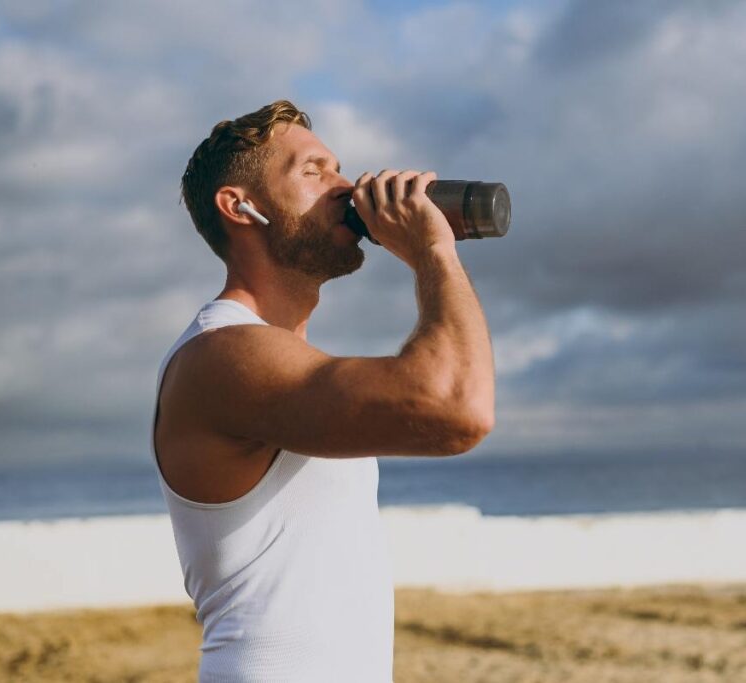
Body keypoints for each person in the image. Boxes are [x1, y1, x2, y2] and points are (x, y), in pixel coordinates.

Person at [149, 99, 495, 682]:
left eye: (338, 169)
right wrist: (433, 250)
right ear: (241, 207)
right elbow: (455, 407)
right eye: (312, 171)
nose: (345, 188)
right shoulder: (223, 356)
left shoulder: (282, 363)